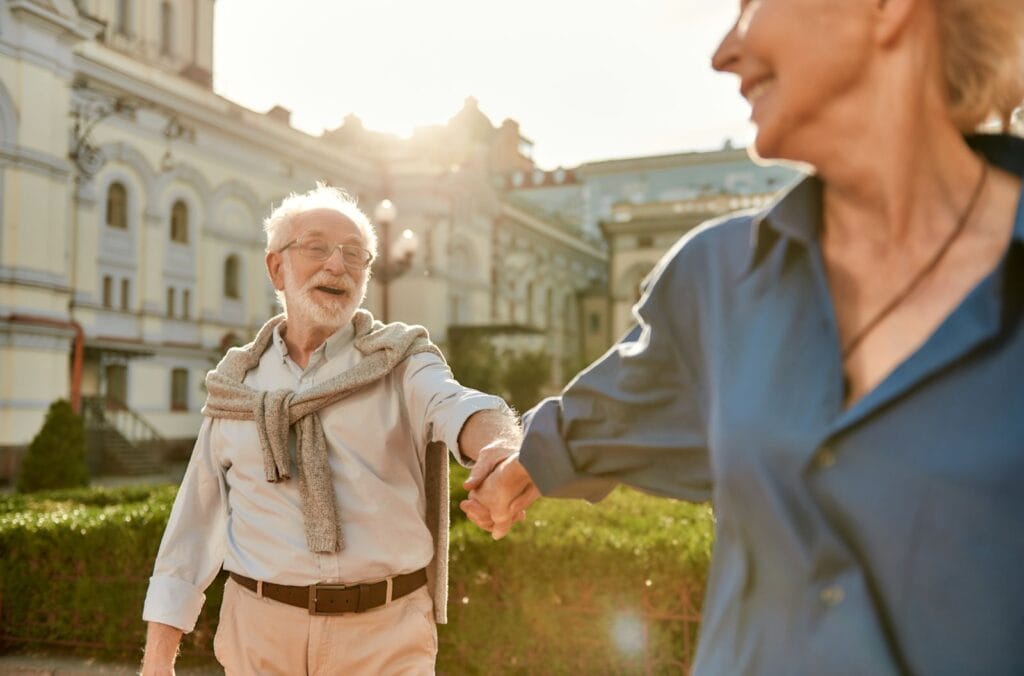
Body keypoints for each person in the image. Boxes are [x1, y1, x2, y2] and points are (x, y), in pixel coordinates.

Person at [461, 0, 1024, 672]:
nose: (724, 52)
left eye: (752, 4)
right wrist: (519, 462)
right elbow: (613, 416)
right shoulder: (717, 277)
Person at [141, 184, 519, 675]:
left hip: (385, 639)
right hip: (258, 637)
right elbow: (194, 525)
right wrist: (157, 660)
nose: (337, 265)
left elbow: (459, 405)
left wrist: (501, 447)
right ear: (277, 267)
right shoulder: (235, 385)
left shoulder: (401, 360)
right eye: (316, 247)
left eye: (354, 254)